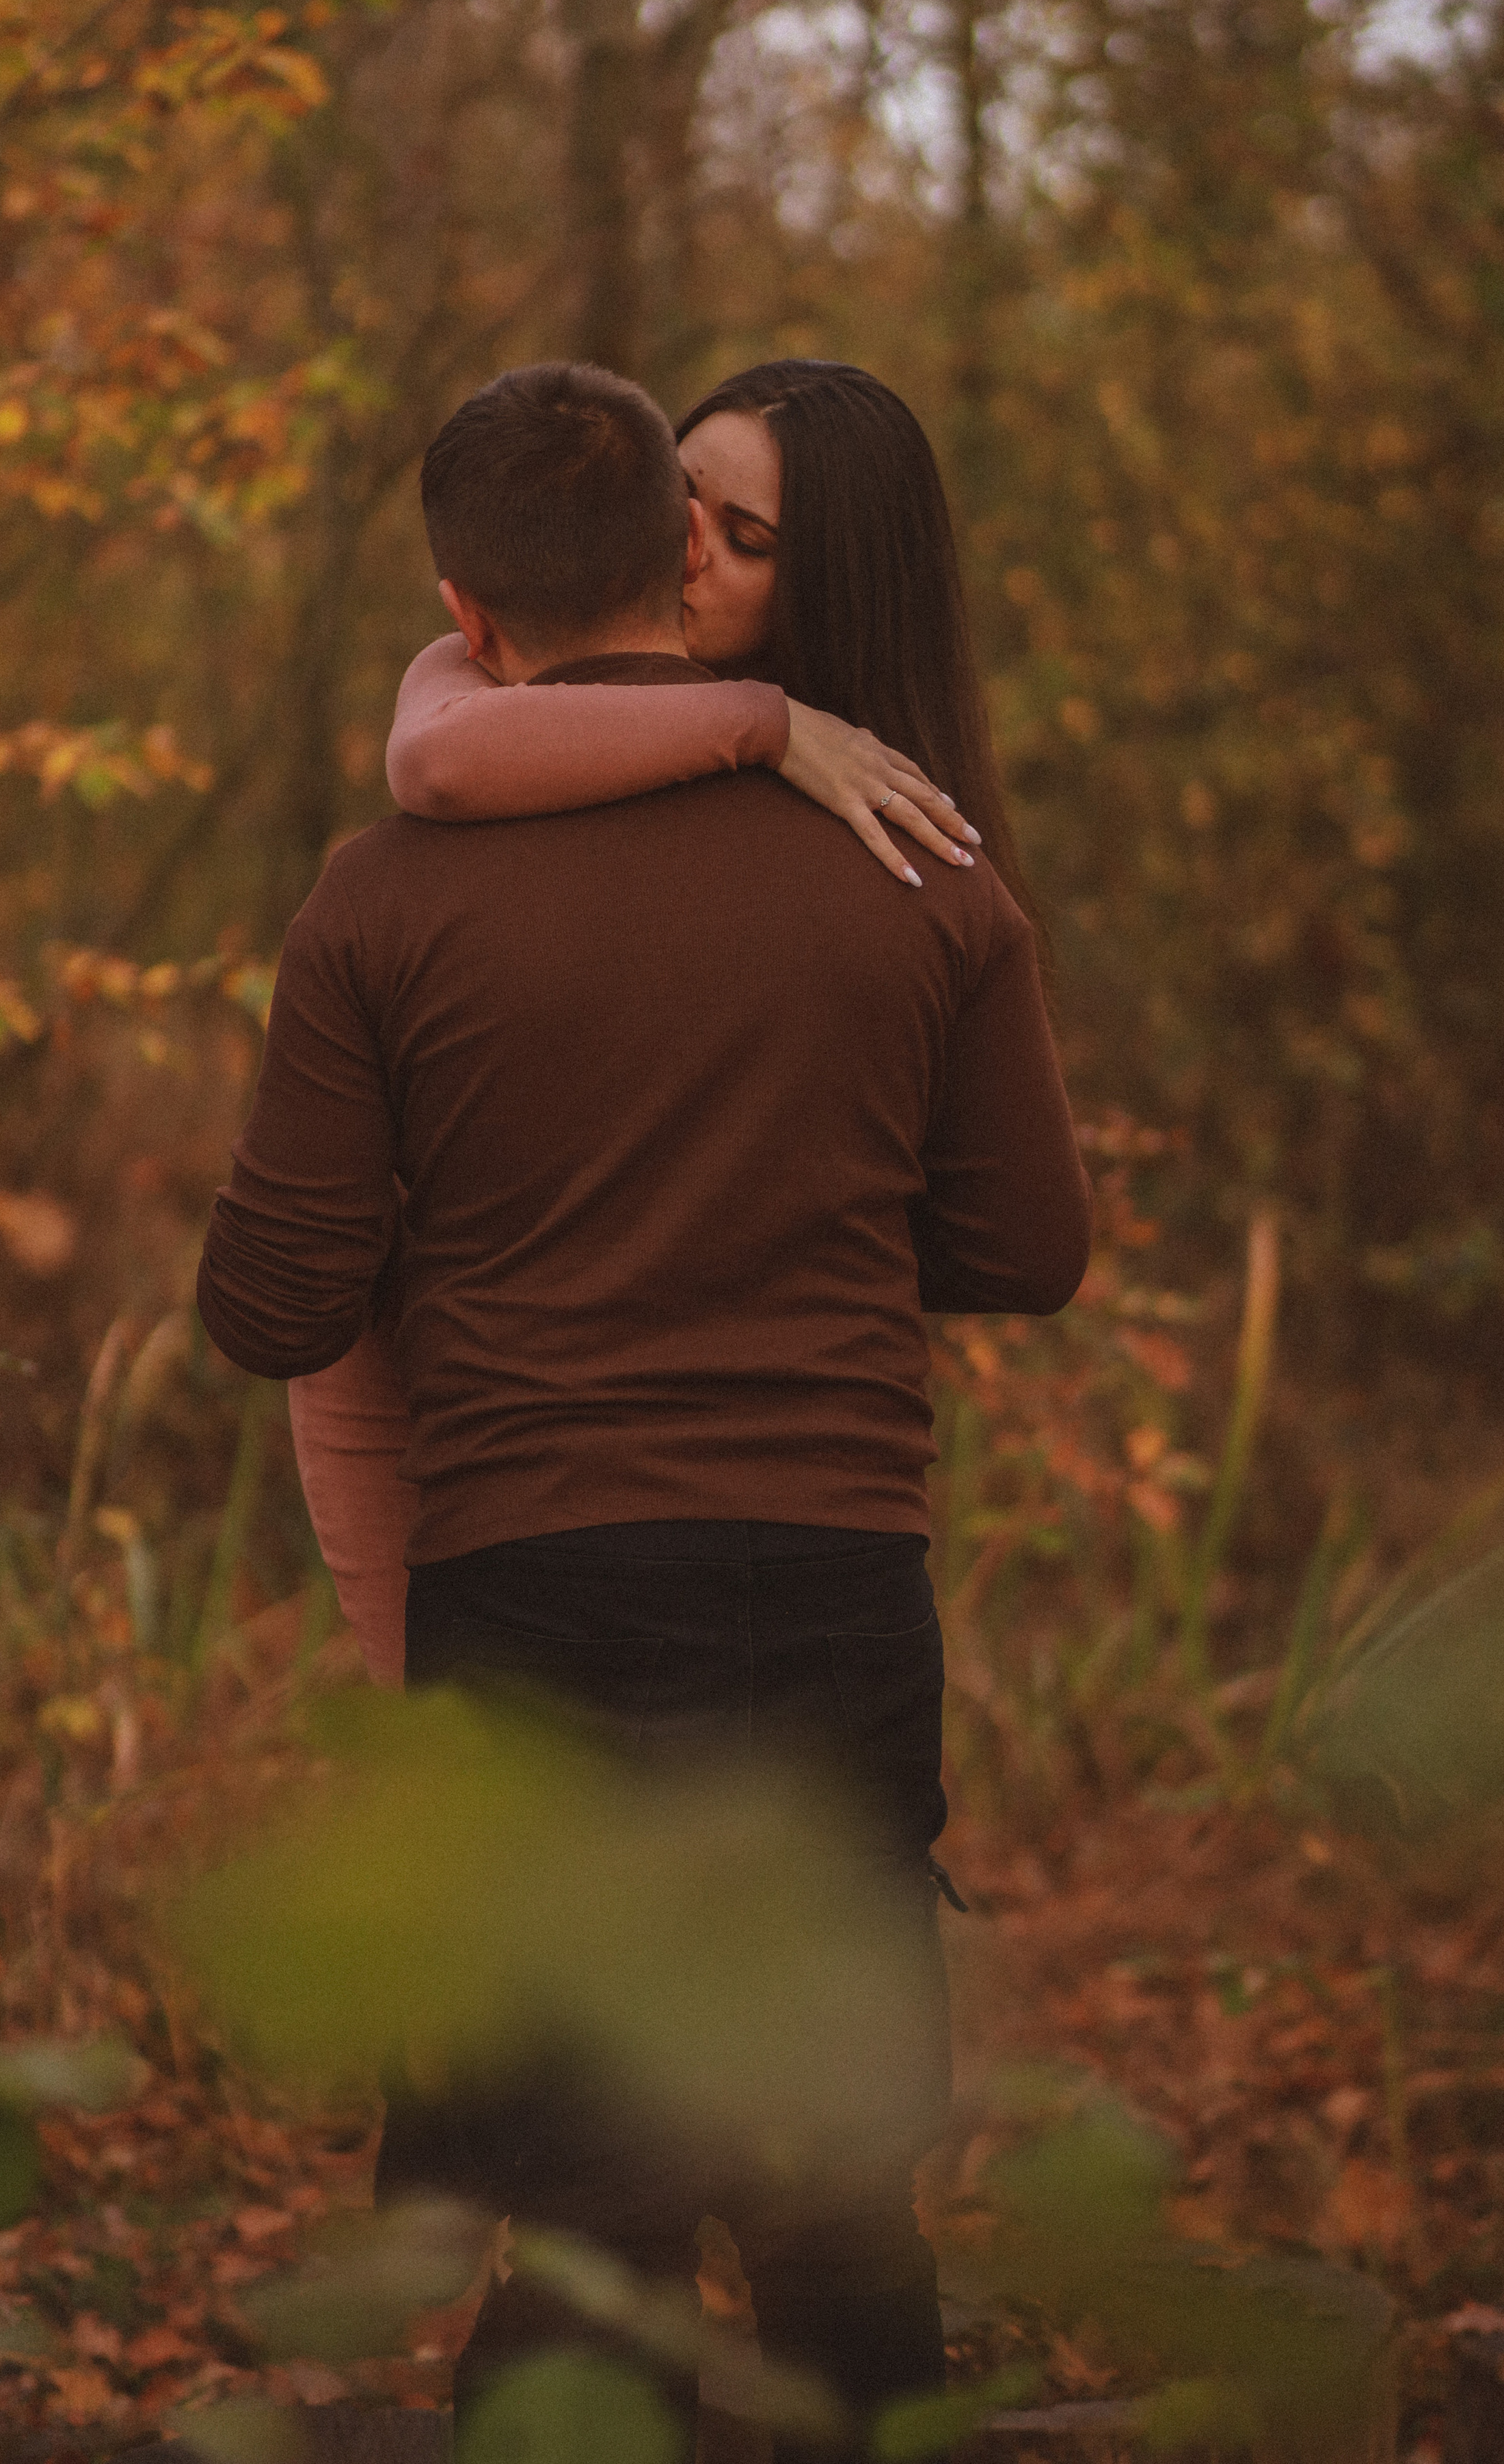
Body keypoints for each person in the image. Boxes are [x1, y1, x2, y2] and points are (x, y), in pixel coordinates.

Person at [198, 360, 1092, 2461]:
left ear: (475, 594)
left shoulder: (382, 898)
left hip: (544, 1591)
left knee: (588, 2207)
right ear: (655, 555)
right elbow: (1031, 1249)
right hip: (833, 1584)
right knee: (835, 2201)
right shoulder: (930, 881)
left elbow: (271, 1305)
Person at [291, 358, 1047, 1685]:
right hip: (465, 1503)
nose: (684, 555)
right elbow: (431, 755)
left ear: (835, 595)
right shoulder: (480, 729)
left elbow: (1024, 1235)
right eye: (677, 503)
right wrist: (755, 724)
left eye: (743, 542)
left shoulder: (905, 867)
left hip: (739, 1541)